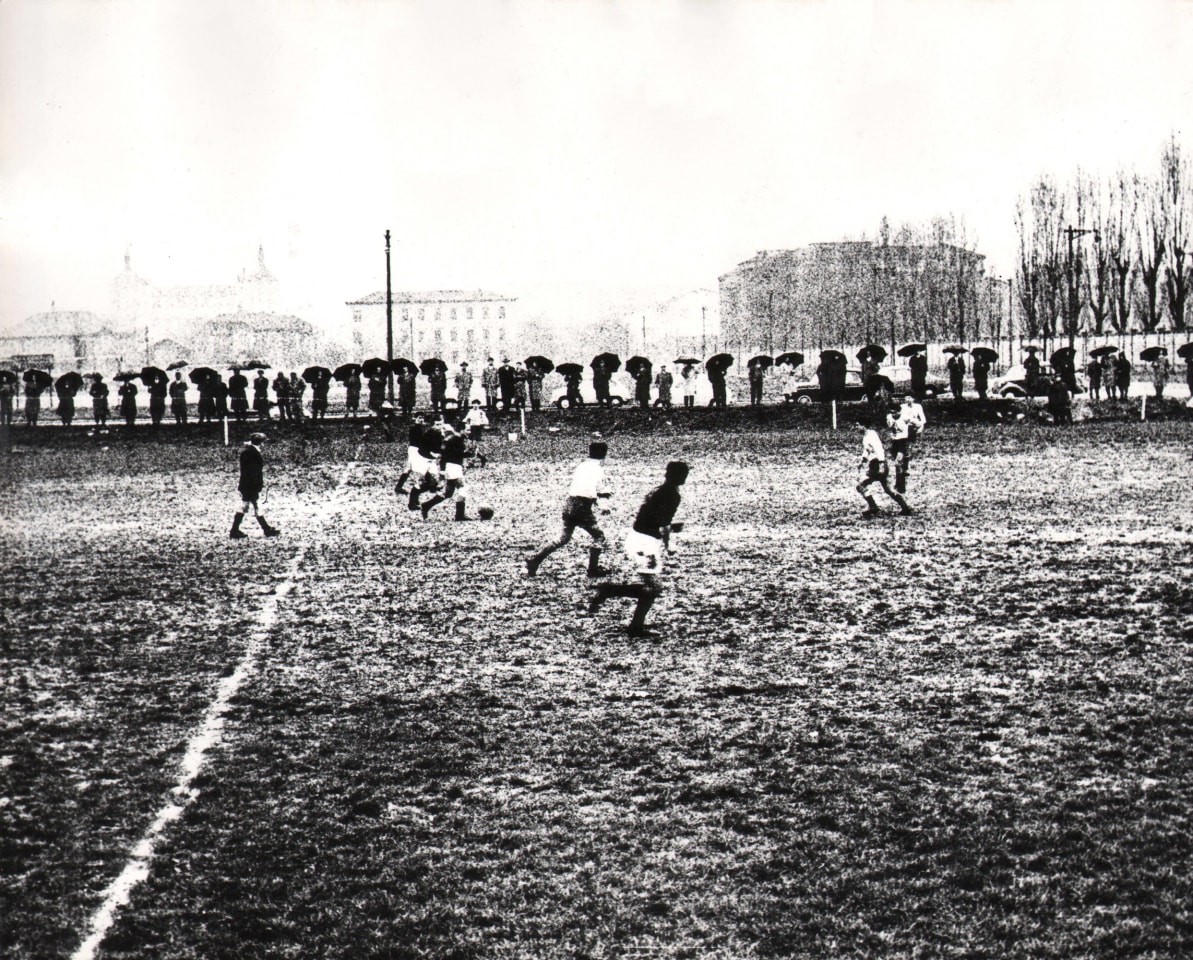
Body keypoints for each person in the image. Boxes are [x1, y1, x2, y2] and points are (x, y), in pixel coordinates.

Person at [588, 460, 689, 638]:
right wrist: (669, 544)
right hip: (645, 542)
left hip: (639, 538)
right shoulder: (672, 495)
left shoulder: (657, 491)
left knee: (652, 587)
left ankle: (612, 594)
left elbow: (652, 519)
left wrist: (669, 527)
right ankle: (634, 625)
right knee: (654, 587)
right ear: (679, 476)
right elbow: (662, 525)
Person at [526, 441, 612, 578]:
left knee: (563, 538)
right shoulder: (598, 470)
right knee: (599, 536)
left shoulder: (581, 466)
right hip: (582, 507)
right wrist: (603, 506)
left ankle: (535, 560)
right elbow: (593, 491)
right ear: (604, 454)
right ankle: (593, 569)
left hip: (570, 504)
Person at [856, 419, 912, 517]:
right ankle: (905, 508)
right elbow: (868, 450)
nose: (856, 427)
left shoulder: (871, 436)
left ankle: (873, 507)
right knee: (888, 489)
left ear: (863, 426)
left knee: (861, 486)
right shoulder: (866, 436)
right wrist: (863, 460)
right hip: (875, 464)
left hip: (877, 465)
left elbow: (879, 450)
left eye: (857, 425)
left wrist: (881, 465)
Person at [230, 432, 280, 539]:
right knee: (253, 506)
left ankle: (235, 530)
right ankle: (266, 530)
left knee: (247, 506)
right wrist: (257, 485)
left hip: (246, 484)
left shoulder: (246, 452)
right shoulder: (254, 454)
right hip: (250, 485)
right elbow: (254, 472)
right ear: (261, 443)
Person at [419, 422, 473, 521]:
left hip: (454, 467)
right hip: (453, 467)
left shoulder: (459, 439)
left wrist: (468, 454)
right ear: (461, 430)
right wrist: (442, 471)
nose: (469, 432)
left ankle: (426, 505)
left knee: (448, 493)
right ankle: (459, 515)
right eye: (467, 429)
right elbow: (446, 455)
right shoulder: (454, 439)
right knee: (463, 488)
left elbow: (456, 454)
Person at [463, 400, 489, 467]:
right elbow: (466, 419)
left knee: (474, 446)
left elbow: (486, 421)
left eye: (477, 404)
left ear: (479, 405)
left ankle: (472, 462)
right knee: (470, 446)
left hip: (478, 429)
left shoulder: (481, 412)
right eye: (474, 404)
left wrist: (481, 422)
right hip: (472, 428)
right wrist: (464, 423)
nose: (475, 405)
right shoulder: (470, 412)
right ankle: (482, 458)